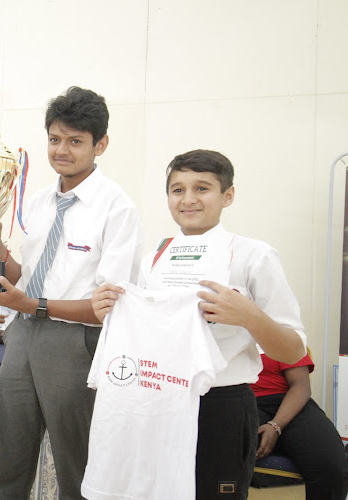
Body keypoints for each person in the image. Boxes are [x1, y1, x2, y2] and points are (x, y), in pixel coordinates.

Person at [91, 149, 307, 499]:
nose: (188, 199)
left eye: (202, 188)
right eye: (177, 190)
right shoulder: (154, 258)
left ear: (228, 195)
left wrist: (249, 316)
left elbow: (293, 348)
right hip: (158, 401)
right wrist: (111, 312)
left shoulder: (255, 256)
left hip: (221, 405)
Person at [0, 86, 143, 499]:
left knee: (76, 466)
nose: (61, 150)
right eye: (54, 139)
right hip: (22, 336)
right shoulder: (37, 201)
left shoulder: (117, 208)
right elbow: (24, 276)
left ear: (100, 144)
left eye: (75, 141)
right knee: (9, 461)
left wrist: (32, 304)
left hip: (76, 342)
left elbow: (108, 307)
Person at [252, 351, 348, 499]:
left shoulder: (285, 329)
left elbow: (301, 386)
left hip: (290, 401)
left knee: (331, 466)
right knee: (227, 452)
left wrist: (275, 426)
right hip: (242, 402)